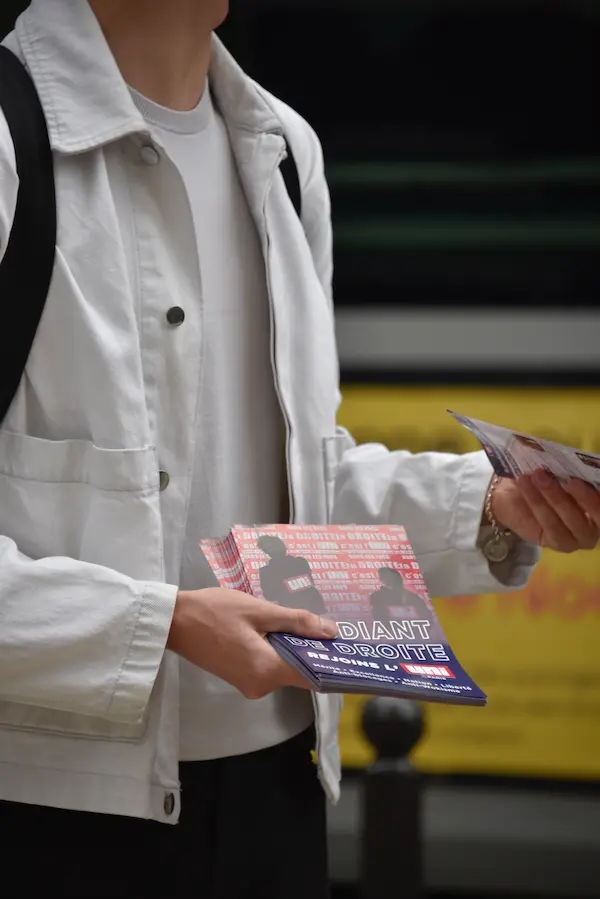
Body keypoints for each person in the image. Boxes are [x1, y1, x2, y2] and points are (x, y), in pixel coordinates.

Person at [0, 2, 598, 897]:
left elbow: (301, 489)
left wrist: (490, 503)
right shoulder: (12, 141)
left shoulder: (283, 148)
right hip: (50, 813)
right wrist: (165, 624)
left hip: (277, 796)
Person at [258, 535, 326, 614]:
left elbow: (270, 596)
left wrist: (269, 567)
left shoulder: (266, 571)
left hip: (292, 612)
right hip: (315, 606)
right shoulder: (301, 562)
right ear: (284, 548)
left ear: (267, 554)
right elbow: (310, 582)